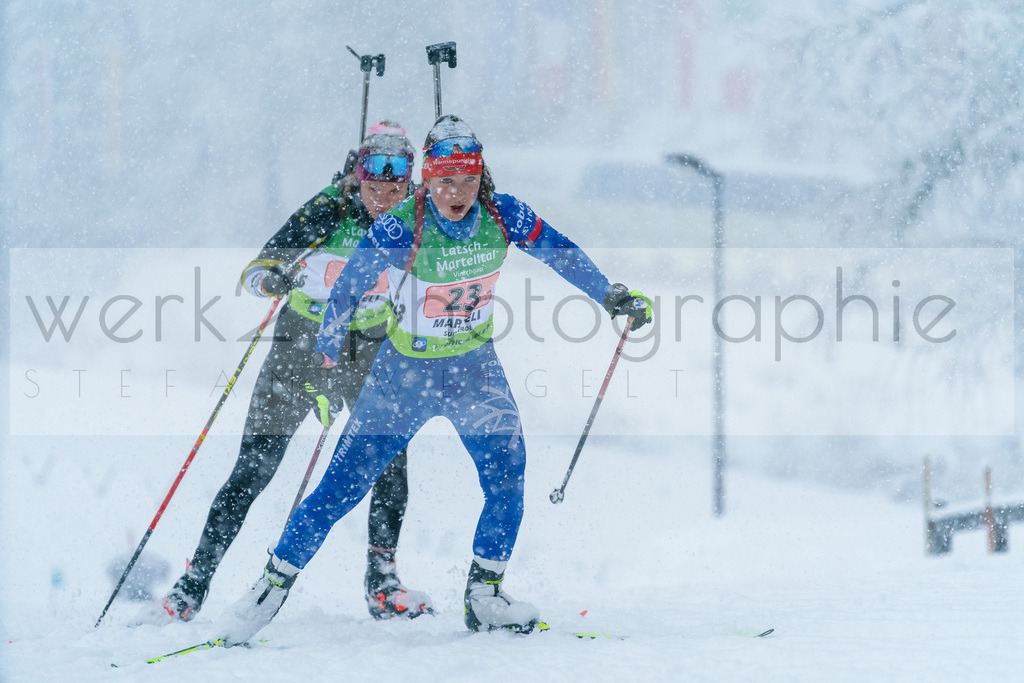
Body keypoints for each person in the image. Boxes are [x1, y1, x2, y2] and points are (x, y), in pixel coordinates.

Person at [216, 114, 652, 643]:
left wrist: (610, 295)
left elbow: (560, 253)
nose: (457, 193)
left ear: (480, 177)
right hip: (402, 379)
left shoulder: (504, 213)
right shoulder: (402, 224)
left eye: (468, 180)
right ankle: (269, 589)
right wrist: (329, 346)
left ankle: (485, 595)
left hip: (475, 373)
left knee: (507, 475)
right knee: (340, 488)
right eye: (445, 181)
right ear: (427, 179)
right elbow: (349, 286)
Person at [156, 122, 433, 623]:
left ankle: (382, 581)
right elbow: (255, 271)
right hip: (301, 342)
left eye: (396, 191)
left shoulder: (417, 217)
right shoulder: (329, 208)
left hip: (369, 344)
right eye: (374, 189)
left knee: (390, 461)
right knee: (255, 467)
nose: (384, 201)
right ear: (358, 179)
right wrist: (272, 280)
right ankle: (195, 580)